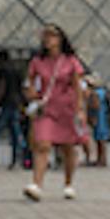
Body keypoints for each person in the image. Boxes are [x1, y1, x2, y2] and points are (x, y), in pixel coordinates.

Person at [23, 25, 86, 202]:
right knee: (42, 144)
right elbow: (29, 81)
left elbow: (78, 87)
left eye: (51, 35)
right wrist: (30, 93)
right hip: (46, 108)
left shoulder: (70, 60)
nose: (47, 39)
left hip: (66, 109)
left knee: (67, 148)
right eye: (45, 35)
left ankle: (68, 183)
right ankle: (36, 185)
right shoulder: (37, 61)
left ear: (60, 39)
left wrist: (80, 110)